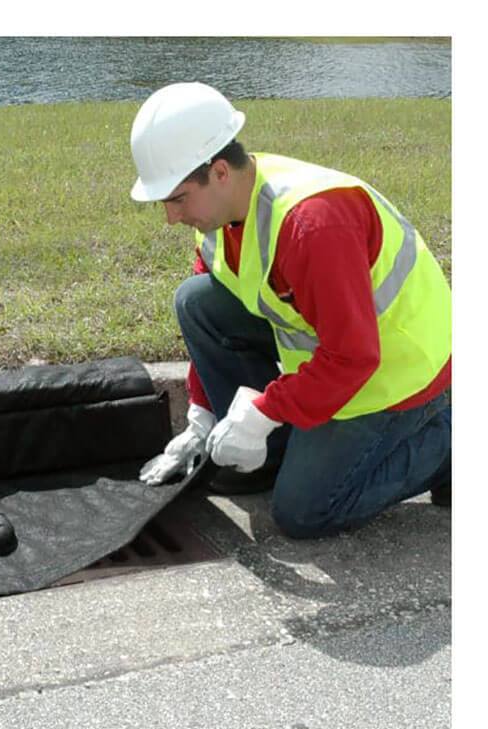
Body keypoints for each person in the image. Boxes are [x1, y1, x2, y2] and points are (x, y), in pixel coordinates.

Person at [131, 82, 451, 539]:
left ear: (219, 171)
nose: (171, 217)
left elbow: (355, 357)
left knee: (305, 512)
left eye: (178, 198)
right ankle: (273, 454)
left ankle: (450, 441)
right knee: (196, 299)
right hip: (339, 354)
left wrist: (264, 410)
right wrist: (201, 419)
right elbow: (215, 304)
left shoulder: (314, 225)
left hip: (396, 372)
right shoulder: (223, 216)